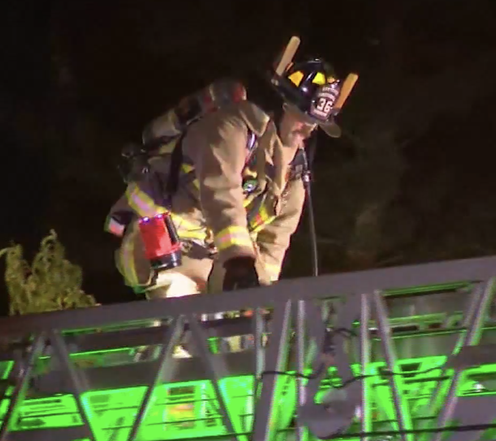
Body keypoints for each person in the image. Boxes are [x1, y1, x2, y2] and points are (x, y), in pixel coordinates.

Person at [106, 43, 356, 301]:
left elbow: (277, 237)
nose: (307, 129)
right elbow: (221, 192)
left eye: (314, 124)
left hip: (215, 255)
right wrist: (239, 260)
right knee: (182, 313)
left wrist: (261, 290)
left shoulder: (293, 170)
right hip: (165, 240)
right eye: (301, 118)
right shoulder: (229, 128)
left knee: (244, 319)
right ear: (280, 105)